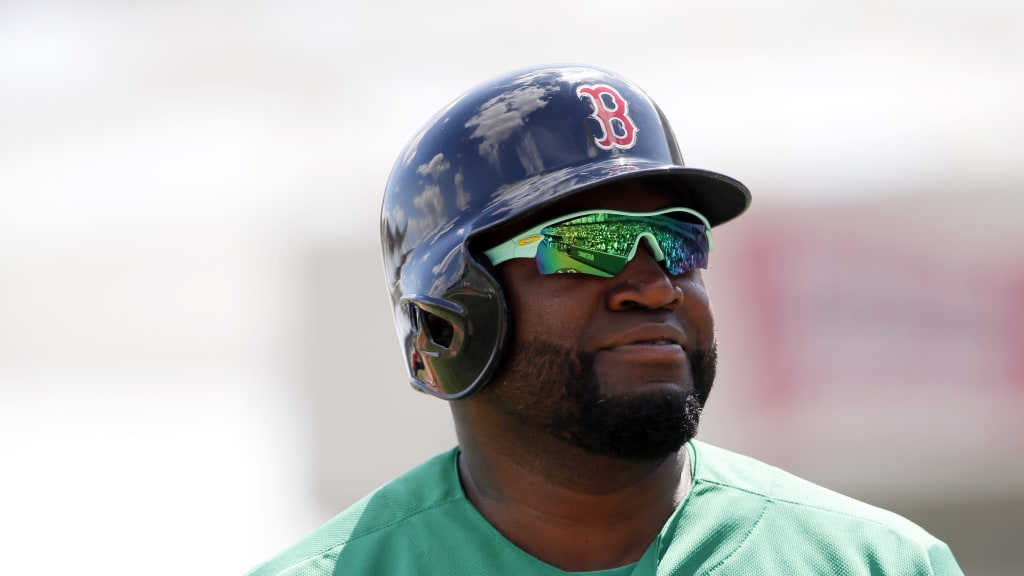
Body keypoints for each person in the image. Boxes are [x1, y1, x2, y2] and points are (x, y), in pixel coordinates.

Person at [248, 64, 963, 575]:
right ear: (448, 315)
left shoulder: (878, 564)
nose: (655, 288)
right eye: (591, 243)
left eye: (680, 240)